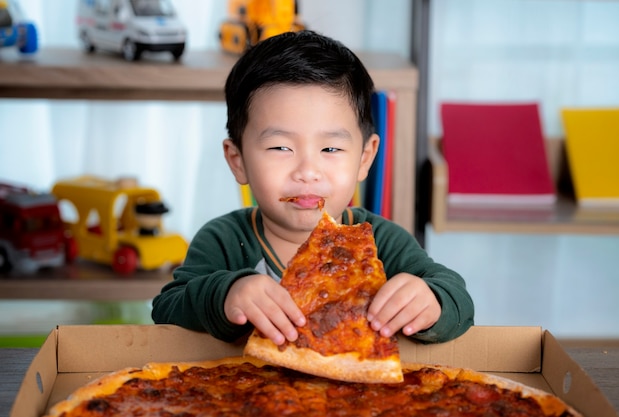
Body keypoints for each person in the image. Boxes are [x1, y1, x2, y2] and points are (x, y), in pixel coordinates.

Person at [152, 30, 474, 346]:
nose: (307, 172)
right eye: (280, 148)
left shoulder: (380, 242)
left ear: (365, 159)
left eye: (330, 150)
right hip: (246, 392)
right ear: (238, 161)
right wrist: (226, 295)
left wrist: (431, 301)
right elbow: (166, 310)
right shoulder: (222, 240)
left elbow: (458, 300)